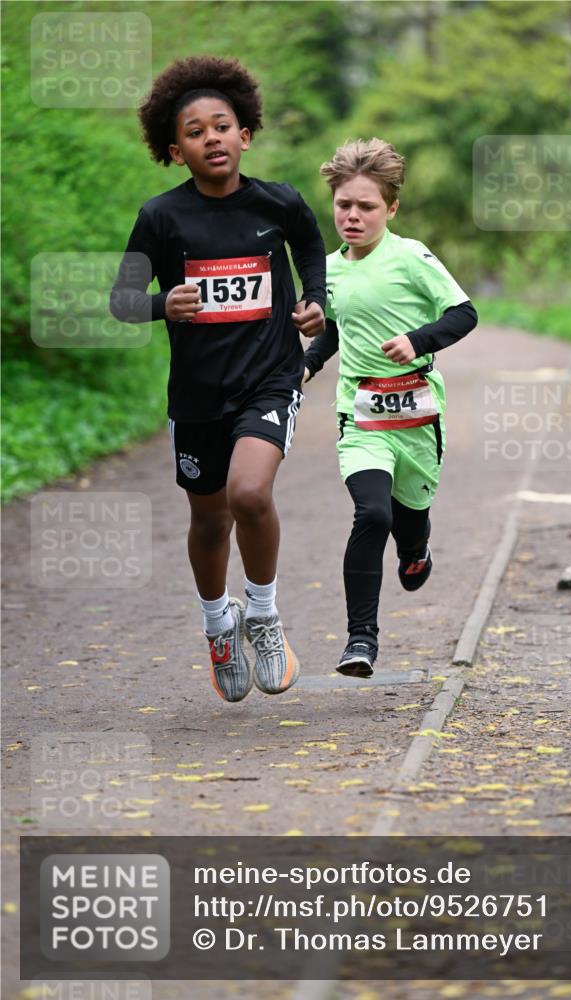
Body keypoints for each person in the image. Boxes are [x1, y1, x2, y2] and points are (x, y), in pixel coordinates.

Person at [110, 56, 326, 702]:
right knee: (209, 523)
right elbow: (121, 298)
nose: (212, 138)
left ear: (245, 135)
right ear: (176, 150)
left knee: (249, 495)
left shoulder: (279, 203)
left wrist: (314, 299)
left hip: (270, 377)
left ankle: (261, 614)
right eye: (196, 131)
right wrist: (161, 304)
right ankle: (218, 626)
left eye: (222, 126)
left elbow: (311, 247)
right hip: (198, 395)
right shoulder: (160, 217)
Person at [302, 138, 477, 678]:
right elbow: (335, 330)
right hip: (361, 415)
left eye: (367, 207)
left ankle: (417, 545)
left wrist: (418, 341)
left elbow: (464, 313)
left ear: (391, 209)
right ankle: (361, 641)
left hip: (418, 417)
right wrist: (306, 365)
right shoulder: (327, 270)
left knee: (409, 517)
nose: (352, 216)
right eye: (343, 205)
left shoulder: (412, 257)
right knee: (371, 512)